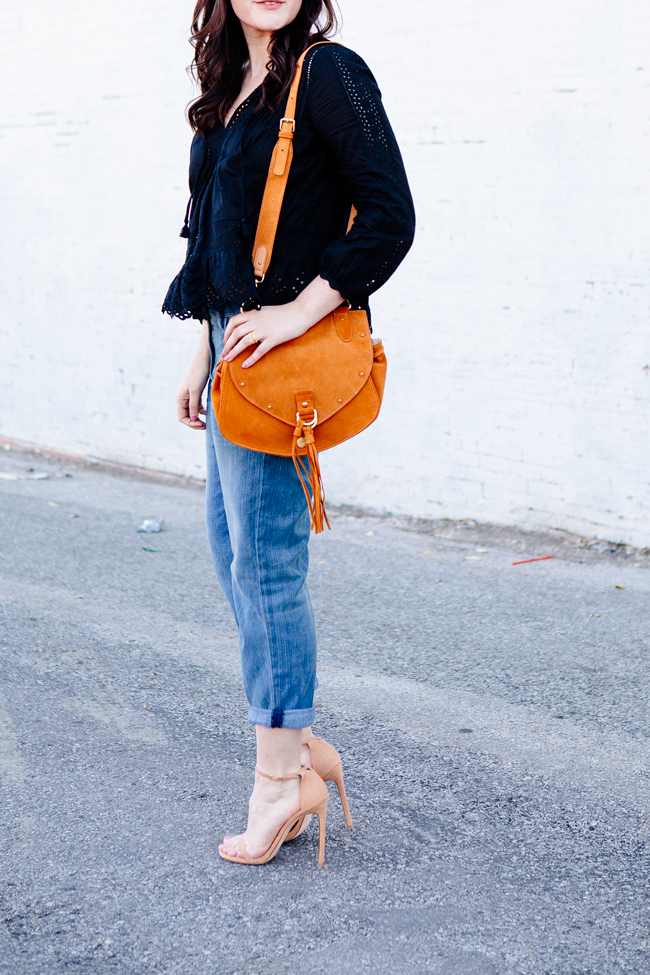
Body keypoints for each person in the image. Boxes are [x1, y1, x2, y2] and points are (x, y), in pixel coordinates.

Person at [164, 0, 415, 865]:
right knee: (229, 543)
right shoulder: (229, 86)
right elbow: (218, 240)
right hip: (235, 344)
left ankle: (278, 784)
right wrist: (205, 344)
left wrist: (295, 311)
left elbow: (389, 215)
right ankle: (300, 748)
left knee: (268, 559)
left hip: (284, 354)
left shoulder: (331, 73)